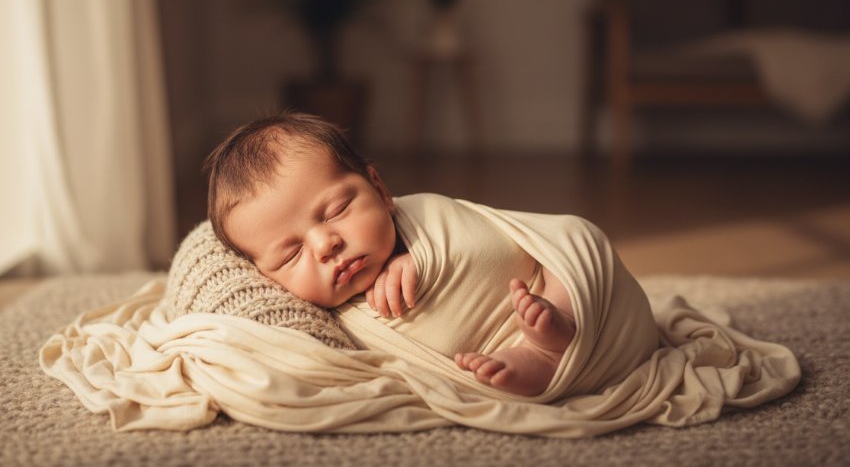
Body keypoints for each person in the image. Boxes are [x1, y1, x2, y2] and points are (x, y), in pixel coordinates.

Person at [204, 113, 587, 397]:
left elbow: (493, 241)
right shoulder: (320, 322)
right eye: (291, 254)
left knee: (576, 243)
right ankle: (531, 355)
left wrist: (416, 253)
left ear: (379, 189)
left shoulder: (424, 218)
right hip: (485, 359)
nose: (325, 245)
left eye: (336, 210)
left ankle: (551, 335)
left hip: (545, 288)